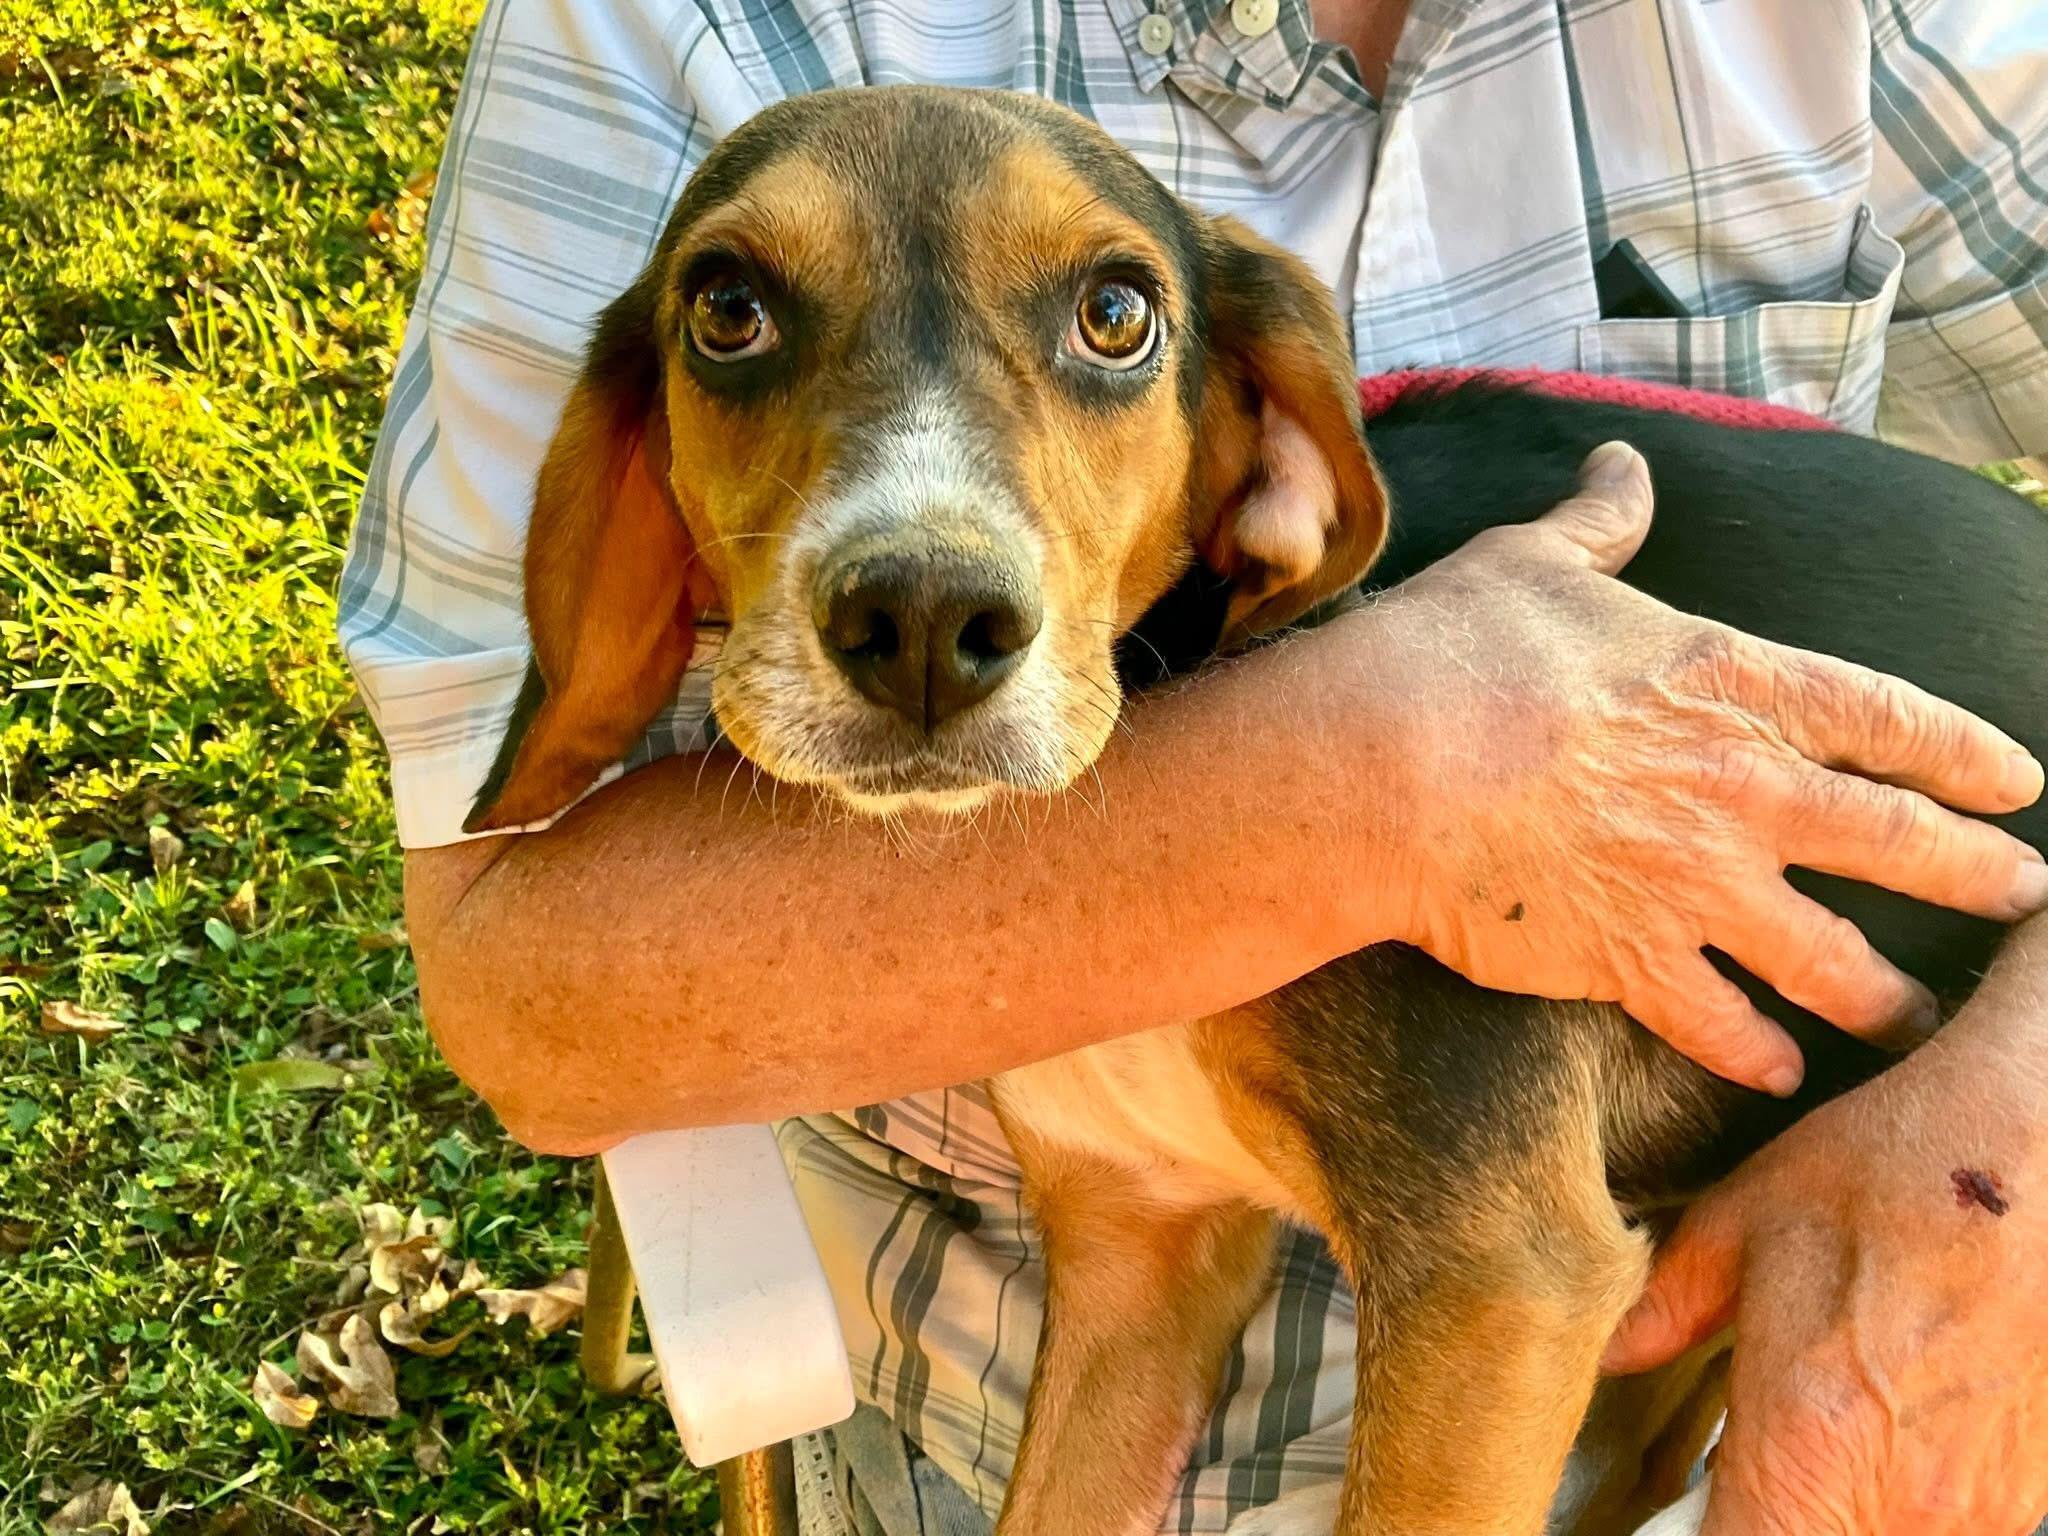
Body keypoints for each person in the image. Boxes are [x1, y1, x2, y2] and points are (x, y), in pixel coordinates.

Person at [340, 2, 2048, 1531]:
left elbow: (1503, 1272)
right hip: (959, 1401)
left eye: (1107, 318)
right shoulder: (674, 29)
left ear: (1263, 457)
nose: (931, 564)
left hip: (1823, 1386)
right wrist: (1380, 769)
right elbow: (516, 973)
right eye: (738, 312)